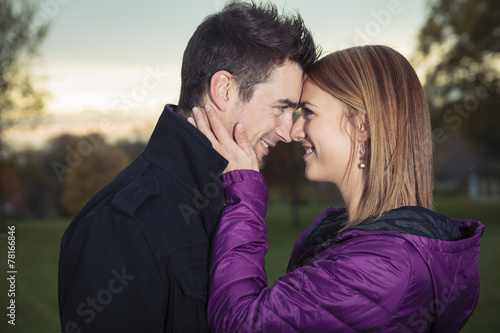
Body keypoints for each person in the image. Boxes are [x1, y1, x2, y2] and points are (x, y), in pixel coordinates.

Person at [57, 1, 317, 332]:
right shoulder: (119, 226)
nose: (287, 130)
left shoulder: (232, 198)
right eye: (281, 108)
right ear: (224, 89)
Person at [190, 45, 483, 332]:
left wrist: (242, 188)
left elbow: (240, 323)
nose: (294, 131)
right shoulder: (345, 236)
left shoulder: (384, 266)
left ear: (362, 126)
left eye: (309, 112)